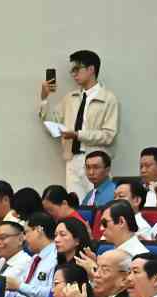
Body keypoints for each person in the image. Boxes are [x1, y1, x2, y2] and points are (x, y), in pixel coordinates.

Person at [37, 51, 118, 200]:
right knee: (75, 204)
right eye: (72, 71)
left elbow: (109, 135)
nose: (73, 74)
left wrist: (78, 134)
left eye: (77, 69)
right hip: (72, 159)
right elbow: (51, 124)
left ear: (91, 69)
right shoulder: (70, 98)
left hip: (96, 159)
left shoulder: (108, 98)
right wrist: (44, 98)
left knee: (99, 202)